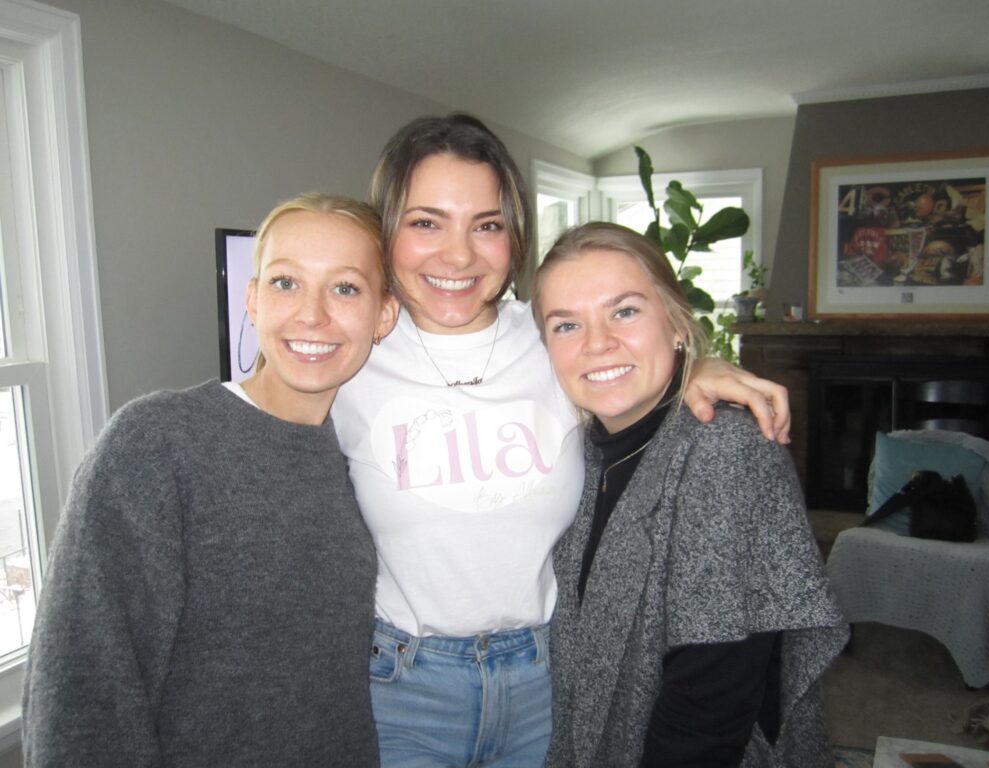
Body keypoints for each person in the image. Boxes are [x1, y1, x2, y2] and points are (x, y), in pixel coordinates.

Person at [331, 113, 795, 767]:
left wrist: (700, 366)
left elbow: (629, 374)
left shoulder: (549, 335)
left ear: (513, 234)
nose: (459, 255)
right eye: (425, 221)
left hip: (547, 677)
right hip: (406, 684)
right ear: (387, 231)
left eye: (486, 225)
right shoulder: (350, 355)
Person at [22, 194, 399, 767]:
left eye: (345, 288)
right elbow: (82, 688)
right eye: (284, 283)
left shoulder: (367, 458)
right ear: (251, 299)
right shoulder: (157, 443)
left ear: (385, 315)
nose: (312, 314)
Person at [531, 221, 848, 768]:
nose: (597, 343)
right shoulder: (577, 451)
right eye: (566, 325)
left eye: (624, 311)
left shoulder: (724, 447)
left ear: (677, 324)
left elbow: (709, 706)